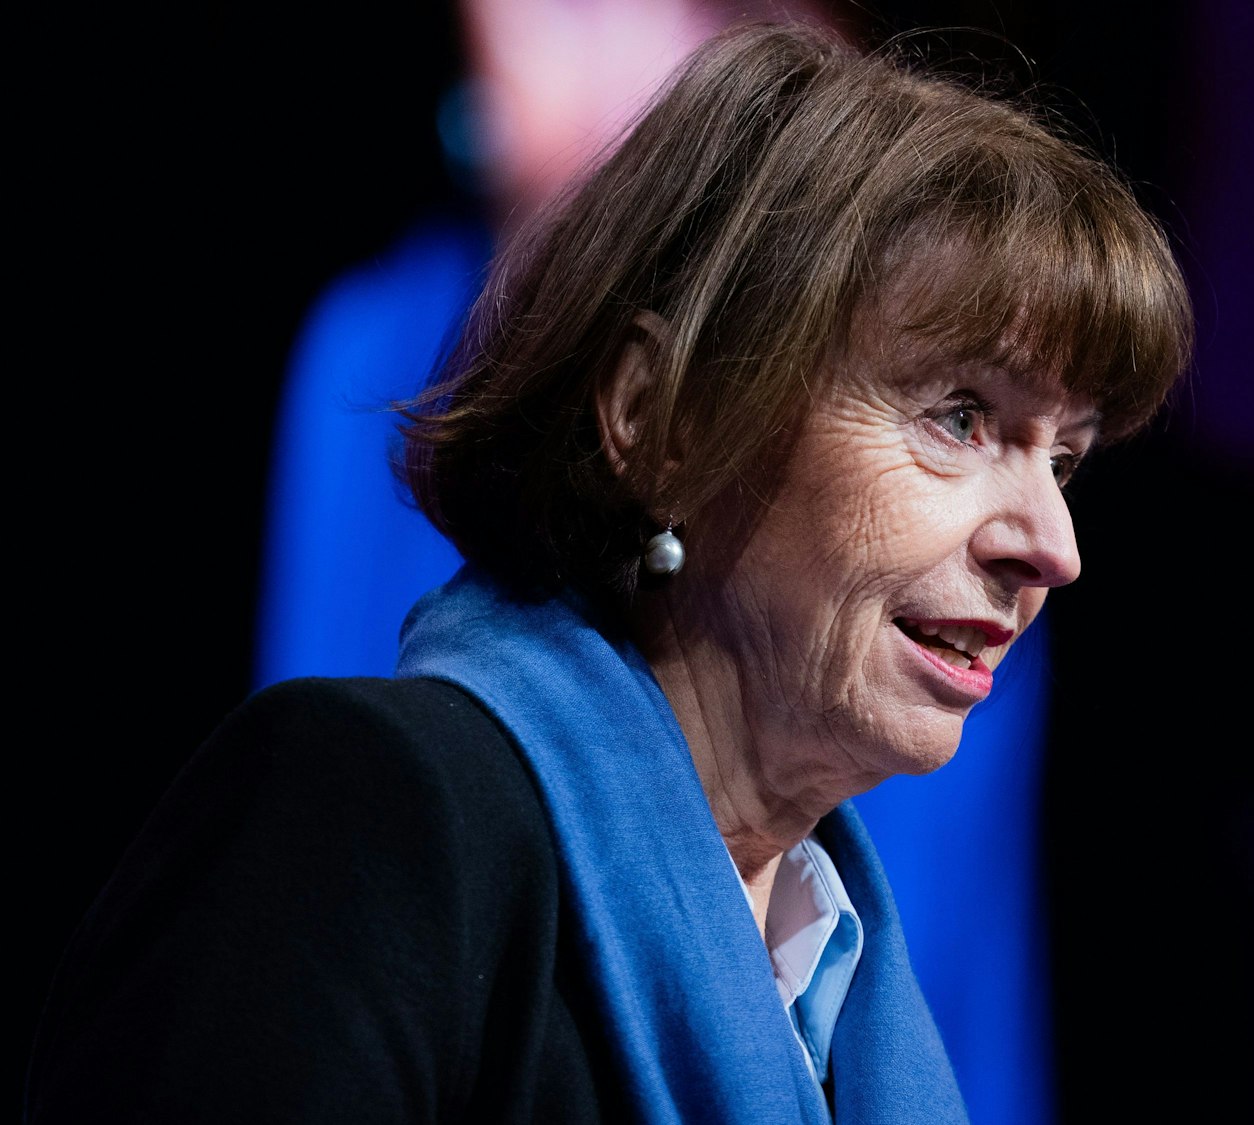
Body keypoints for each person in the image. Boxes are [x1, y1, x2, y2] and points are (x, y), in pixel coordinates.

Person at [27, 21, 1190, 1123]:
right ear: (661, 417)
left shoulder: (842, 982)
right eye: (957, 417)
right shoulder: (373, 817)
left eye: (1067, 459)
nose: (1050, 544)